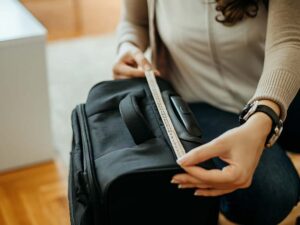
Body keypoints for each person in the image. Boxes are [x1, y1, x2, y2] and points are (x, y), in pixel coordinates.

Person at [113, 0, 300, 224]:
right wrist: (128, 45)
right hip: (199, 100)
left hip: (277, 89)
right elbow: (135, 21)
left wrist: (264, 116)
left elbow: (289, 40)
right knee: (272, 193)